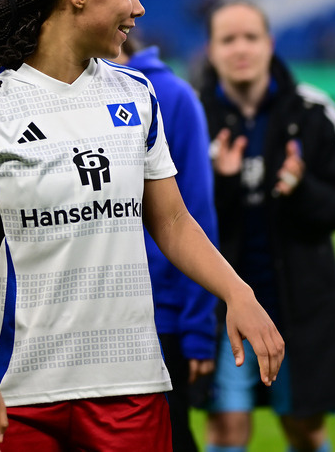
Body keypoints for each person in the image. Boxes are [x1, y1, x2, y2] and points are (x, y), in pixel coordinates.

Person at [0, 0, 284, 452]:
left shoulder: (137, 95)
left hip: (130, 385)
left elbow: (173, 221)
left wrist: (238, 292)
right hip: (17, 389)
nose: (139, 9)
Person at [198, 0, 335, 452]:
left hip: (301, 307)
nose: (240, 48)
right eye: (227, 39)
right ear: (211, 49)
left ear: (269, 43)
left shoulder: (312, 111)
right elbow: (174, 221)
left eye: (250, 37)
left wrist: (300, 188)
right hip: (223, 309)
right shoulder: (194, 119)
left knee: (305, 432)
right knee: (227, 430)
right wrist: (224, 184)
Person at [114, 35, 219, 452]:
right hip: (97, 317)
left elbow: (191, 215)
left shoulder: (169, 95)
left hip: (162, 318)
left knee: (168, 436)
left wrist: (197, 329)